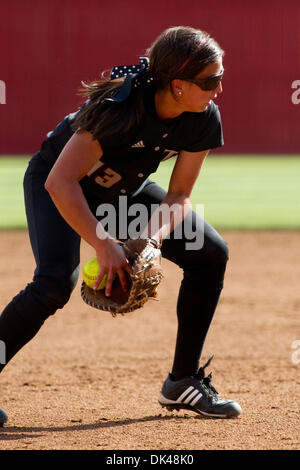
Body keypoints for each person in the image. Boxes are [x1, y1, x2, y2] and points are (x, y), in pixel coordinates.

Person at [0, 26, 241, 426]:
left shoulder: (202, 117)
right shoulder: (121, 108)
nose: (219, 88)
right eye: (210, 80)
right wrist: (103, 243)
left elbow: (179, 194)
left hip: (125, 190)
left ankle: (181, 381)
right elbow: (59, 182)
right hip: (61, 181)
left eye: (221, 76)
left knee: (210, 254)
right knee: (55, 282)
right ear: (177, 85)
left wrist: (151, 242)